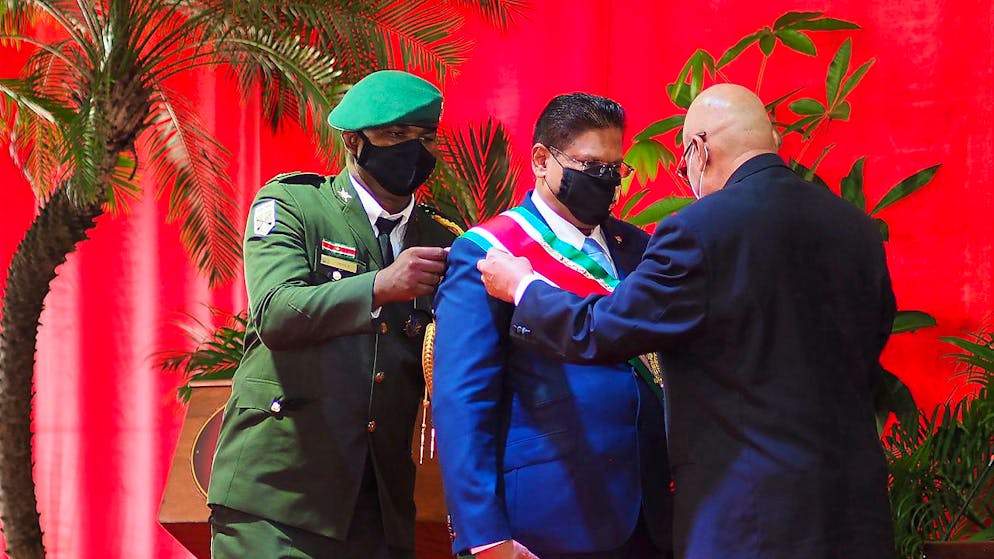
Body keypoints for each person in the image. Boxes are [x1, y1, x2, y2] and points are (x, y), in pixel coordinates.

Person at [477, 84, 897, 559]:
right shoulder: (857, 229)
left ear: (699, 149)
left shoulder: (699, 230)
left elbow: (602, 329)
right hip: (856, 510)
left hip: (749, 518)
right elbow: (874, 339)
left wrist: (523, 287)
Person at [208, 70, 459, 559]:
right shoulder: (295, 205)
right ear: (353, 141)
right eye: (395, 135)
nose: (414, 149)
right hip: (279, 497)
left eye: (426, 136)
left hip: (378, 506)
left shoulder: (443, 238)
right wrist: (380, 286)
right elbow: (276, 312)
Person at [432, 93, 673, 559]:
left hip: (653, 512)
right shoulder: (490, 251)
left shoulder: (639, 248)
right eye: (591, 167)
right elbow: (463, 400)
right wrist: (483, 533)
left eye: (615, 169)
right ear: (542, 160)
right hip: (552, 512)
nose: (606, 181)